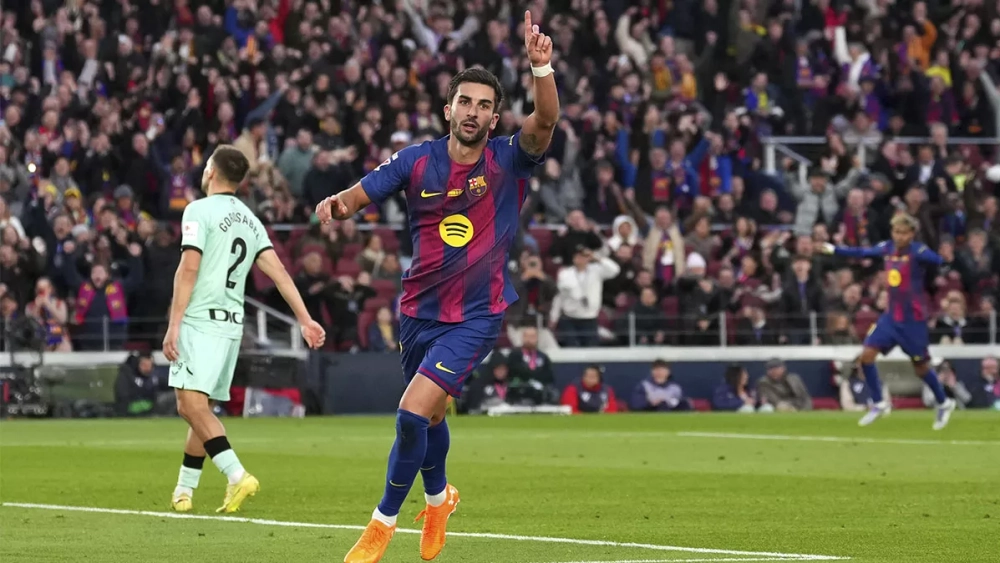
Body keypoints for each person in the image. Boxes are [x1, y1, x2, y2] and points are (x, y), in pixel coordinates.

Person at [315, 12, 558, 563]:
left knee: (409, 413)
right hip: (418, 311)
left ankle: (381, 523)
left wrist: (540, 67)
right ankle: (439, 498)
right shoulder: (416, 160)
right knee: (433, 416)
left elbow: (545, 121)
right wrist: (337, 205)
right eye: (464, 102)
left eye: (484, 105)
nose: (473, 112)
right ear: (448, 110)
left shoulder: (507, 161)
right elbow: (363, 191)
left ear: (495, 119)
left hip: (476, 314)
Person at [162, 146, 325, 515]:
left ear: (211, 173)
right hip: (232, 327)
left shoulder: (197, 210)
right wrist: (304, 318)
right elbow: (279, 272)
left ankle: (236, 475)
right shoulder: (251, 220)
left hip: (201, 321)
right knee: (200, 409)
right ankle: (184, 490)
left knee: (189, 405)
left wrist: (174, 325)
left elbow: (188, 270)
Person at [819, 213, 956, 429]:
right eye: (896, 232)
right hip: (891, 317)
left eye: (903, 232)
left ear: (911, 234)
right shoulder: (887, 248)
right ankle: (879, 402)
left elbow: (939, 262)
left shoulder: (918, 251)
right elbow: (862, 251)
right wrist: (835, 249)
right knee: (866, 356)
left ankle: (944, 402)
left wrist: (946, 260)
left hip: (913, 321)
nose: (898, 236)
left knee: (920, 367)